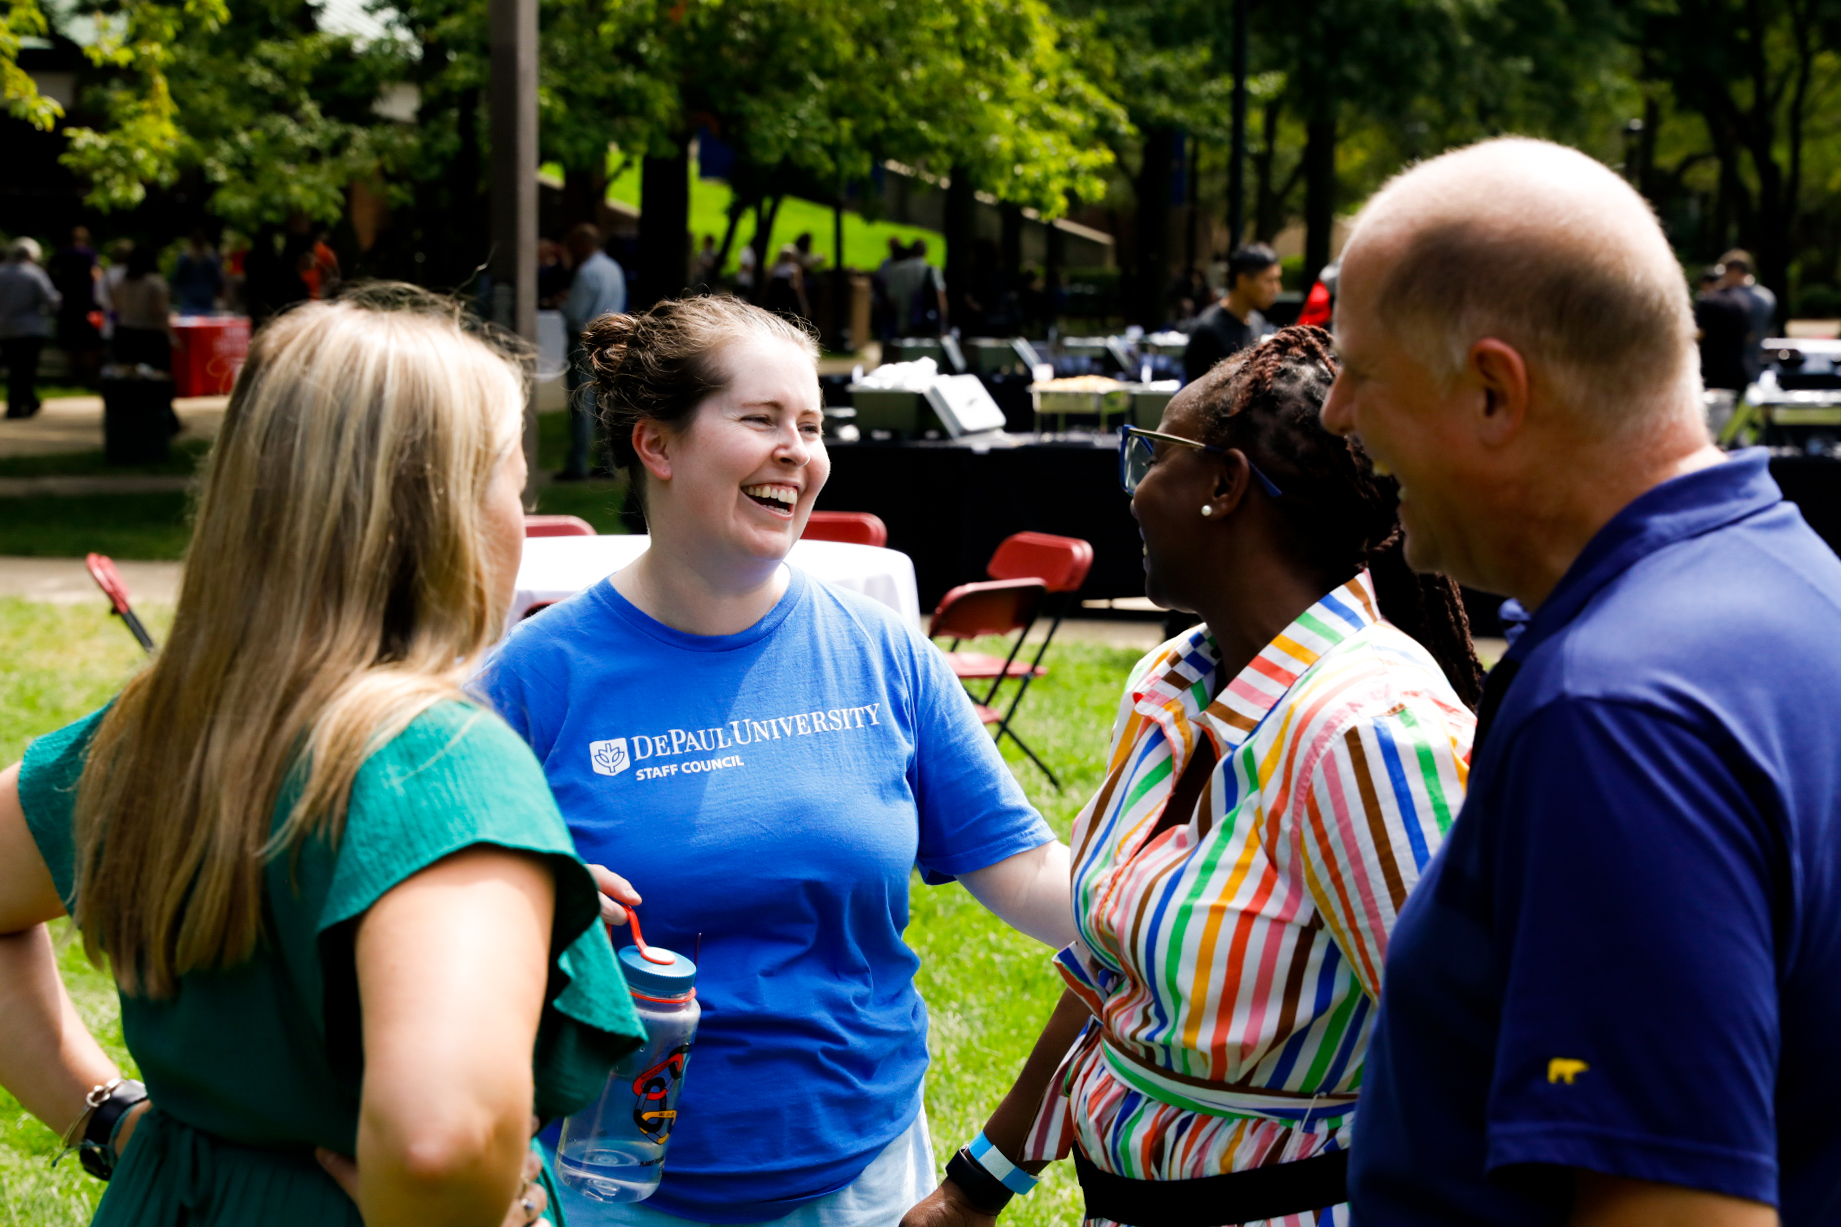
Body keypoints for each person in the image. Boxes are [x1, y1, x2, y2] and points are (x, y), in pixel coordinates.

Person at [0, 285, 647, 1226]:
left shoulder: (162, 725)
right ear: (443, 513)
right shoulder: (443, 763)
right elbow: (440, 1144)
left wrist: (107, 1121)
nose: (524, 515)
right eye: (516, 481)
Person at [1323, 135, 1841, 1227]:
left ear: (1490, 393)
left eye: (1357, 374)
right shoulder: (1798, 587)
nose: (1335, 418)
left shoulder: (1615, 714)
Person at [476, 294, 1074, 1226]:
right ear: (657, 446)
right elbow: (439, 923)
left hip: (863, 1177)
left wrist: (1167, 903)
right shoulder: (534, 679)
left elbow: (1030, 874)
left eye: (811, 422)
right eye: (760, 419)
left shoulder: (882, 652)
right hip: (614, 1188)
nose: (799, 449)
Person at [904, 326, 1481, 1227]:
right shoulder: (1170, 682)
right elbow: (1110, 975)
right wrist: (976, 1186)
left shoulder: (1366, 734)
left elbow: (1475, 1061)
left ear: (1224, 484)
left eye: (1152, 454)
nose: (1134, 489)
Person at [558, 222, 628, 480]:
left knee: (581, 404)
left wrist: (561, 305)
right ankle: (607, 462)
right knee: (604, 404)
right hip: (610, 340)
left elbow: (575, 314)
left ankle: (577, 464)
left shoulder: (587, 272)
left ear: (583, 243)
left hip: (584, 339)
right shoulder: (613, 268)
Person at [1183, 243, 1282, 384]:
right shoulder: (1208, 331)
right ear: (1242, 281)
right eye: (1269, 281)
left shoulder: (1257, 321)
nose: (1277, 289)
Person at [0, 238, 60, 419]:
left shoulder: (1, 272)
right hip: (31, 328)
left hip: (6, 328)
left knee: (15, 368)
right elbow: (51, 300)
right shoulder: (33, 274)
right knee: (26, 369)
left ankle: (19, 404)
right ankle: (23, 404)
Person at [49, 226, 103, 383]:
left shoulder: (61, 253)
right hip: (87, 300)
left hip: (68, 301)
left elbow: (52, 273)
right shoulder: (89, 254)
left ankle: (72, 374)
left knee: (70, 339)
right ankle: (87, 374)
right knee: (87, 339)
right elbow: (96, 275)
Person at [111, 245, 174, 374]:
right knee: (156, 377)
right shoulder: (155, 283)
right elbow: (159, 312)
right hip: (150, 335)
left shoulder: (122, 281)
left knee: (128, 376)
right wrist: (172, 336)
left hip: (125, 333)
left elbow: (116, 306)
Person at [1695, 266, 1753, 392]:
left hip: (1712, 370)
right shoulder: (1741, 302)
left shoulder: (1706, 302)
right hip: (1737, 368)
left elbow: (1699, 334)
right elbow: (1750, 336)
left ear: (1705, 284)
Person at [886, 239, 947, 337]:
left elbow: (892, 299)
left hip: (904, 322)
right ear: (925, 252)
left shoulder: (897, 270)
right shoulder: (932, 270)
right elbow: (940, 296)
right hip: (927, 322)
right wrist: (943, 320)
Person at [172, 231, 224, 314]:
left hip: (189, 297)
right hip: (205, 296)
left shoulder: (185, 259)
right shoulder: (210, 260)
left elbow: (178, 279)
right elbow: (217, 280)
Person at [762, 242, 810, 321]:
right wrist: (804, 304)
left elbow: (768, 283)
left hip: (774, 300)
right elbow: (799, 287)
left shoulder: (774, 268)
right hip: (788, 301)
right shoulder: (794, 269)